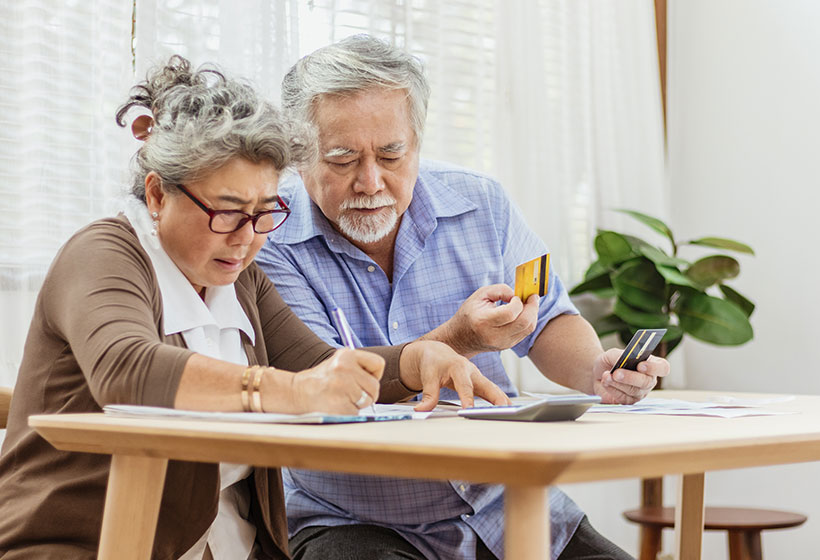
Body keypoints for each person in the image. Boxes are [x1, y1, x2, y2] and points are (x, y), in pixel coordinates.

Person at [0, 55, 507, 560]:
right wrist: (289, 390)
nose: (246, 239)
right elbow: (126, 368)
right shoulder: (104, 254)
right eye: (226, 212)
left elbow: (318, 367)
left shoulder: (238, 278)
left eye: (264, 212)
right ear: (157, 194)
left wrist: (418, 361)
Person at [256, 35, 670, 560]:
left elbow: (547, 319)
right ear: (298, 156)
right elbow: (323, 384)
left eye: (391, 153)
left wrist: (597, 371)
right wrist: (460, 339)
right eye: (341, 158)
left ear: (418, 142)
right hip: (357, 518)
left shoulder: (482, 203)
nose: (370, 180)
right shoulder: (268, 239)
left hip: (505, 504)